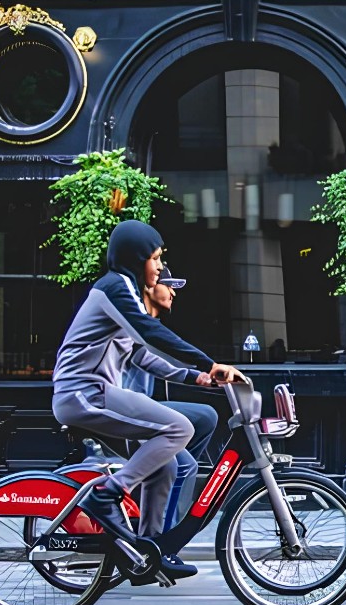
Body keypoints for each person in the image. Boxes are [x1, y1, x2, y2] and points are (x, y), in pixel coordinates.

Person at [51, 220, 237, 579]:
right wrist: (209, 362)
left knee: (166, 463)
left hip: (97, 394)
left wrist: (195, 376)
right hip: (83, 394)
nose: (158, 266)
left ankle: (149, 551)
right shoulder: (113, 288)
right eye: (154, 258)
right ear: (135, 259)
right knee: (178, 427)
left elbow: (140, 354)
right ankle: (107, 494)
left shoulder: (125, 293)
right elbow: (149, 333)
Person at [118, 265, 220, 542]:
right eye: (169, 285)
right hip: (124, 415)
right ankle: (165, 539)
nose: (174, 292)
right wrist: (205, 366)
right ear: (150, 287)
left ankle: (163, 501)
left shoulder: (147, 325)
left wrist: (197, 376)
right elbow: (152, 356)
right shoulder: (136, 321)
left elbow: (153, 362)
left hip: (144, 408)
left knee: (206, 416)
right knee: (184, 466)